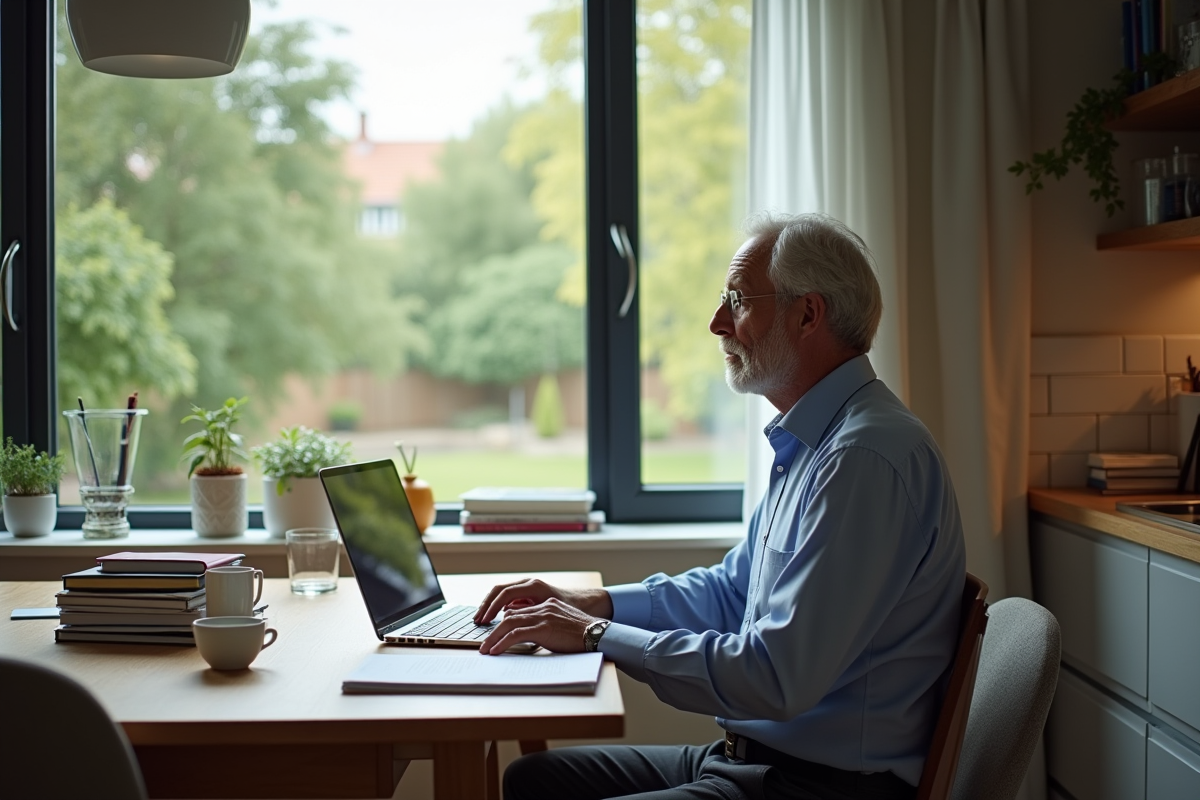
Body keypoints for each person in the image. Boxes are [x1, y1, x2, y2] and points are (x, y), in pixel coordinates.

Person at [474, 212, 966, 800]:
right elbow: (731, 593)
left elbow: (776, 677)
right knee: (533, 780)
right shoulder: (817, 441)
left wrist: (596, 633)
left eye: (737, 300)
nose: (716, 323)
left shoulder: (863, 458)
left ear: (808, 314)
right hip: (754, 759)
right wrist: (591, 603)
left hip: (822, 786)